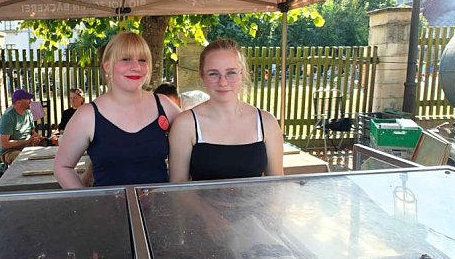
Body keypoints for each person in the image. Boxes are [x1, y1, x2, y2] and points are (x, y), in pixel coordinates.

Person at [55, 32, 181, 188]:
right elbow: (62, 167)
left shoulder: (164, 105)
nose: (136, 67)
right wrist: (86, 202)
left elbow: (194, 137)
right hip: (108, 211)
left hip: (159, 210)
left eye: (142, 60)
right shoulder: (87, 116)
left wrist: (177, 193)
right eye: (126, 59)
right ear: (107, 65)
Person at [169, 39, 284, 182]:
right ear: (202, 76)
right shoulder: (186, 124)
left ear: (242, 74)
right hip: (198, 205)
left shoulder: (267, 123)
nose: (223, 82)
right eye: (213, 74)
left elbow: (277, 186)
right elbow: (178, 190)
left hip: (257, 205)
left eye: (231, 73)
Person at [0, 88, 44, 165]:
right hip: (9, 152)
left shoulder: (28, 113)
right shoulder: (8, 117)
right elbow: (4, 144)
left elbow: (33, 132)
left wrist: (36, 138)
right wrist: (26, 141)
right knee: (22, 157)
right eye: (27, 99)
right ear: (18, 102)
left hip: (27, 148)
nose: (31, 101)